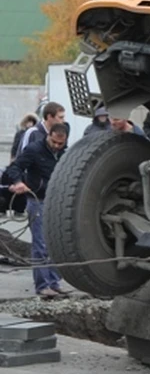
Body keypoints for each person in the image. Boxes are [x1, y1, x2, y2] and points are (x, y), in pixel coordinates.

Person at [5, 123, 70, 300]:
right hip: (37, 200)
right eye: (54, 142)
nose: (57, 146)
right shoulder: (34, 149)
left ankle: (54, 282)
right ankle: (43, 285)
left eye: (60, 144)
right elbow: (14, 167)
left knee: (56, 243)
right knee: (40, 244)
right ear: (49, 135)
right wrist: (18, 182)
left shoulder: (65, 153)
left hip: (56, 203)